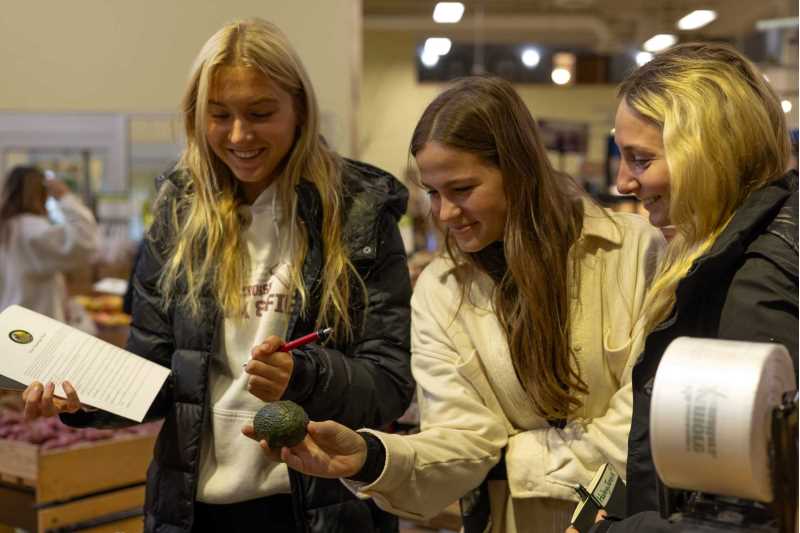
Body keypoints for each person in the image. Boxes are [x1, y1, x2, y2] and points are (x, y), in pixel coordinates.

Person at [21, 18, 414, 533]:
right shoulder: (181, 214)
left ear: (299, 108)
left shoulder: (358, 212)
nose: (238, 135)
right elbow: (159, 378)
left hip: (322, 510)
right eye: (219, 115)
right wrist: (85, 400)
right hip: (191, 507)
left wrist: (307, 376)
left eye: (260, 113)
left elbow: (389, 383)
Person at [257, 75, 666, 533]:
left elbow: (646, 423)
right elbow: (464, 440)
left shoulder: (637, 253)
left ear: (518, 171)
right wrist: (370, 457)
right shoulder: (441, 289)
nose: (445, 214)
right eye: (433, 193)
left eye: (463, 189)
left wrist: (518, 459)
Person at [578, 42, 798, 533]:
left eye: (639, 159)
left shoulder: (755, 280)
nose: (622, 182)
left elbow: (750, 518)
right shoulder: (731, 256)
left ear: (708, 156)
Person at [0, 166, 98, 321]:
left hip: (9, 318)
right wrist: (65, 196)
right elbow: (85, 239)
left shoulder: (8, 226)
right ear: (40, 193)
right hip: (33, 323)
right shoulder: (32, 229)